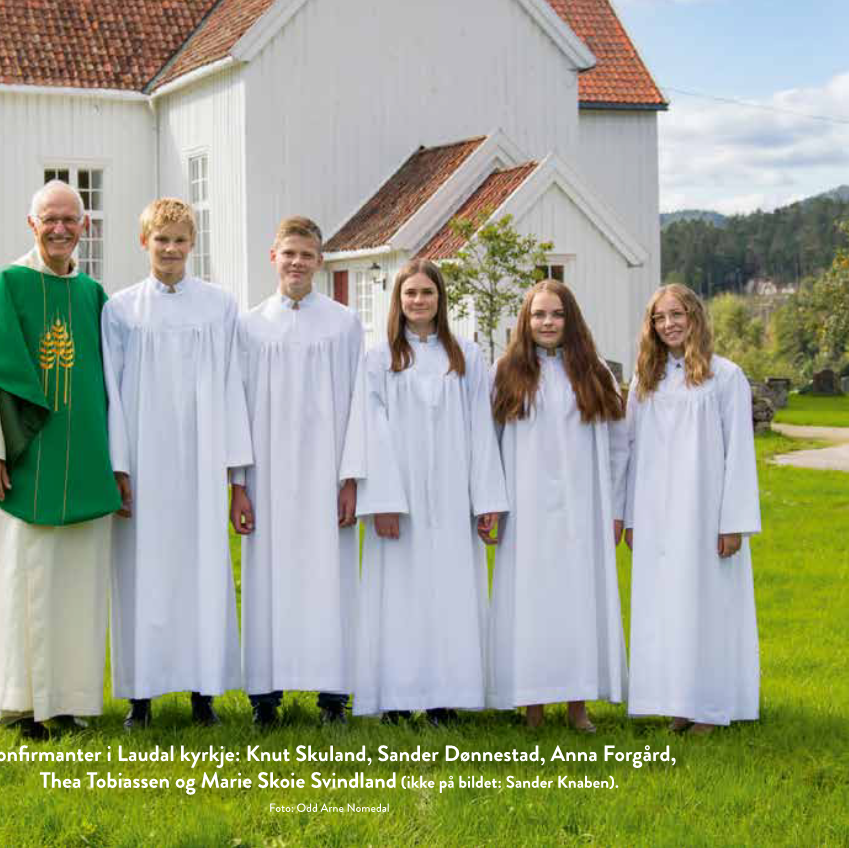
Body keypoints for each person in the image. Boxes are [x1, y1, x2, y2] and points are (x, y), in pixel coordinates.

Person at [0, 181, 123, 736]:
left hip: (82, 466)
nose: (60, 228)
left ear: (84, 227)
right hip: (16, 465)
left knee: (76, 585)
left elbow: (111, 384)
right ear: (31, 223)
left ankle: (70, 700)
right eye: (50, 219)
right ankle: (18, 704)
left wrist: (119, 463)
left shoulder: (92, 296)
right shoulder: (3, 288)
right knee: (16, 583)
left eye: (70, 219)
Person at [102, 197, 252, 729]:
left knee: (201, 571)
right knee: (141, 572)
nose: (170, 249)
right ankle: (140, 696)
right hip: (144, 461)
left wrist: (236, 478)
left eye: (180, 240)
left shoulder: (218, 307)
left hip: (201, 460)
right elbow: (112, 396)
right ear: (144, 242)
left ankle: (202, 690)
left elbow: (233, 388)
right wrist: (118, 468)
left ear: (193, 244)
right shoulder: (121, 310)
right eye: (160, 240)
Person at [341, 258, 507, 721]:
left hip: (453, 497)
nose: (418, 301)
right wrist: (384, 503)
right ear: (398, 300)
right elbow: (371, 432)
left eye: (427, 293)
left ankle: (443, 698)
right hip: (402, 498)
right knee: (399, 599)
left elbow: (481, 427)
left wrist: (486, 501)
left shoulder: (466, 357)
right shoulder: (379, 359)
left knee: (451, 597)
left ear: (441, 300)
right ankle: (397, 697)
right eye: (410, 293)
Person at [232, 216, 363, 727]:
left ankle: (334, 693)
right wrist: (239, 486)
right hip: (266, 476)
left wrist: (351, 478)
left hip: (325, 475)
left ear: (320, 261)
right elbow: (237, 406)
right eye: (288, 253)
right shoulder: (249, 326)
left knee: (329, 580)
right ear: (273, 256)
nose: (296, 263)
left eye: (306, 255)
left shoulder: (343, 324)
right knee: (267, 579)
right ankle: (265, 694)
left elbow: (357, 406)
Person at [486, 280, 628, 731]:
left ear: (571, 320)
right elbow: (489, 444)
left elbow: (617, 447)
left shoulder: (595, 372)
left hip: (581, 507)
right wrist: (492, 501)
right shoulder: (505, 372)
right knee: (531, 604)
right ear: (525, 322)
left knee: (578, 602)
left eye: (556, 315)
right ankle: (532, 706)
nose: (547, 323)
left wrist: (615, 508)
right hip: (525, 509)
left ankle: (577, 705)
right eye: (538, 315)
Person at [625, 283, 761, 735]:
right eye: (660, 318)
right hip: (656, 512)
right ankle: (676, 701)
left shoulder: (725, 377)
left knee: (705, 604)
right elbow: (629, 449)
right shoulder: (646, 382)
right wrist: (629, 516)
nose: (669, 324)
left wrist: (733, 522)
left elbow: (739, 454)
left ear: (695, 317)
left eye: (676, 315)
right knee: (666, 607)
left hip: (704, 512)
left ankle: (708, 704)